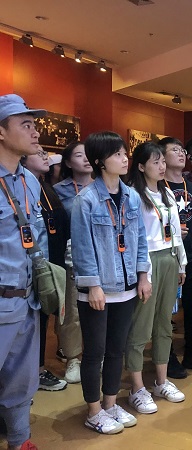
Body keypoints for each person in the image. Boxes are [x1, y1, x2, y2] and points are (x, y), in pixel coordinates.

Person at [71, 131, 152, 434]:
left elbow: (140, 240)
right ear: (99, 161)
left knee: (117, 349)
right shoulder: (86, 200)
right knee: (95, 352)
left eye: (123, 153)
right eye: (117, 154)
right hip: (98, 289)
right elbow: (82, 247)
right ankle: (93, 411)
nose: (124, 158)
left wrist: (143, 276)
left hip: (127, 286)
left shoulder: (132, 196)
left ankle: (110, 404)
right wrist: (92, 285)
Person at [125, 141, 187, 415]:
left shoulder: (167, 193)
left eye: (163, 161)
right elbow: (135, 238)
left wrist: (181, 263)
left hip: (170, 258)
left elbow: (175, 232)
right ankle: (137, 387)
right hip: (148, 262)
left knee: (164, 322)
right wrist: (143, 274)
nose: (162, 166)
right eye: (156, 162)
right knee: (141, 325)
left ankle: (161, 381)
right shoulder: (133, 195)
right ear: (141, 166)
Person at [0, 94, 47, 450]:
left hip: (28, 301)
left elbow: (38, 239)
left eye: (35, 124)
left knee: (23, 380)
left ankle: (19, 440)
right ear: (1, 132)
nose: (35, 132)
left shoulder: (30, 180)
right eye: (25, 125)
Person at [21, 147, 69, 393]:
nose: (45, 156)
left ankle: (38, 370)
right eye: (38, 153)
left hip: (50, 264)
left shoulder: (45, 187)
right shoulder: (18, 186)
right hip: (27, 268)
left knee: (43, 318)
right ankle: (29, 375)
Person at [160, 137, 192, 377]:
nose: (180, 154)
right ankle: (166, 356)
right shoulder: (157, 186)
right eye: (174, 150)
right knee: (166, 308)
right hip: (168, 253)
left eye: (182, 150)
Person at [53, 141, 93, 384]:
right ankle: (72, 358)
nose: (86, 159)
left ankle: (94, 355)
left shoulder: (103, 185)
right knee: (72, 311)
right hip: (72, 258)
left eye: (88, 154)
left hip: (102, 257)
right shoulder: (59, 190)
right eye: (79, 155)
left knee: (100, 309)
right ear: (68, 162)